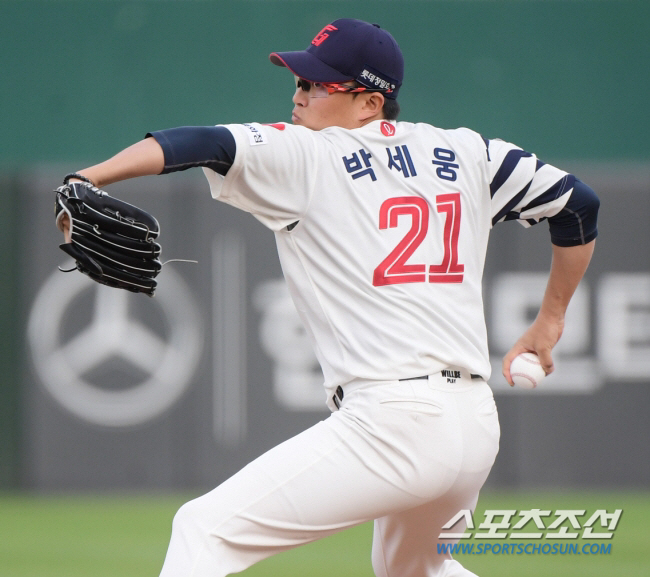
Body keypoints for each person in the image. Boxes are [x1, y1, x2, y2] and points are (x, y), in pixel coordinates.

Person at [59, 18, 598, 577]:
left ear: (369, 101)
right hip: (474, 424)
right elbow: (579, 206)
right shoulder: (470, 153)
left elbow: (201, 143)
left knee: (204, 530)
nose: (297, 97)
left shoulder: (309, 156)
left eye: (315, 85)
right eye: (297, 82)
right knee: (415, 570)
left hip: (395, 421)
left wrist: (90, 177)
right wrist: (550, 323)